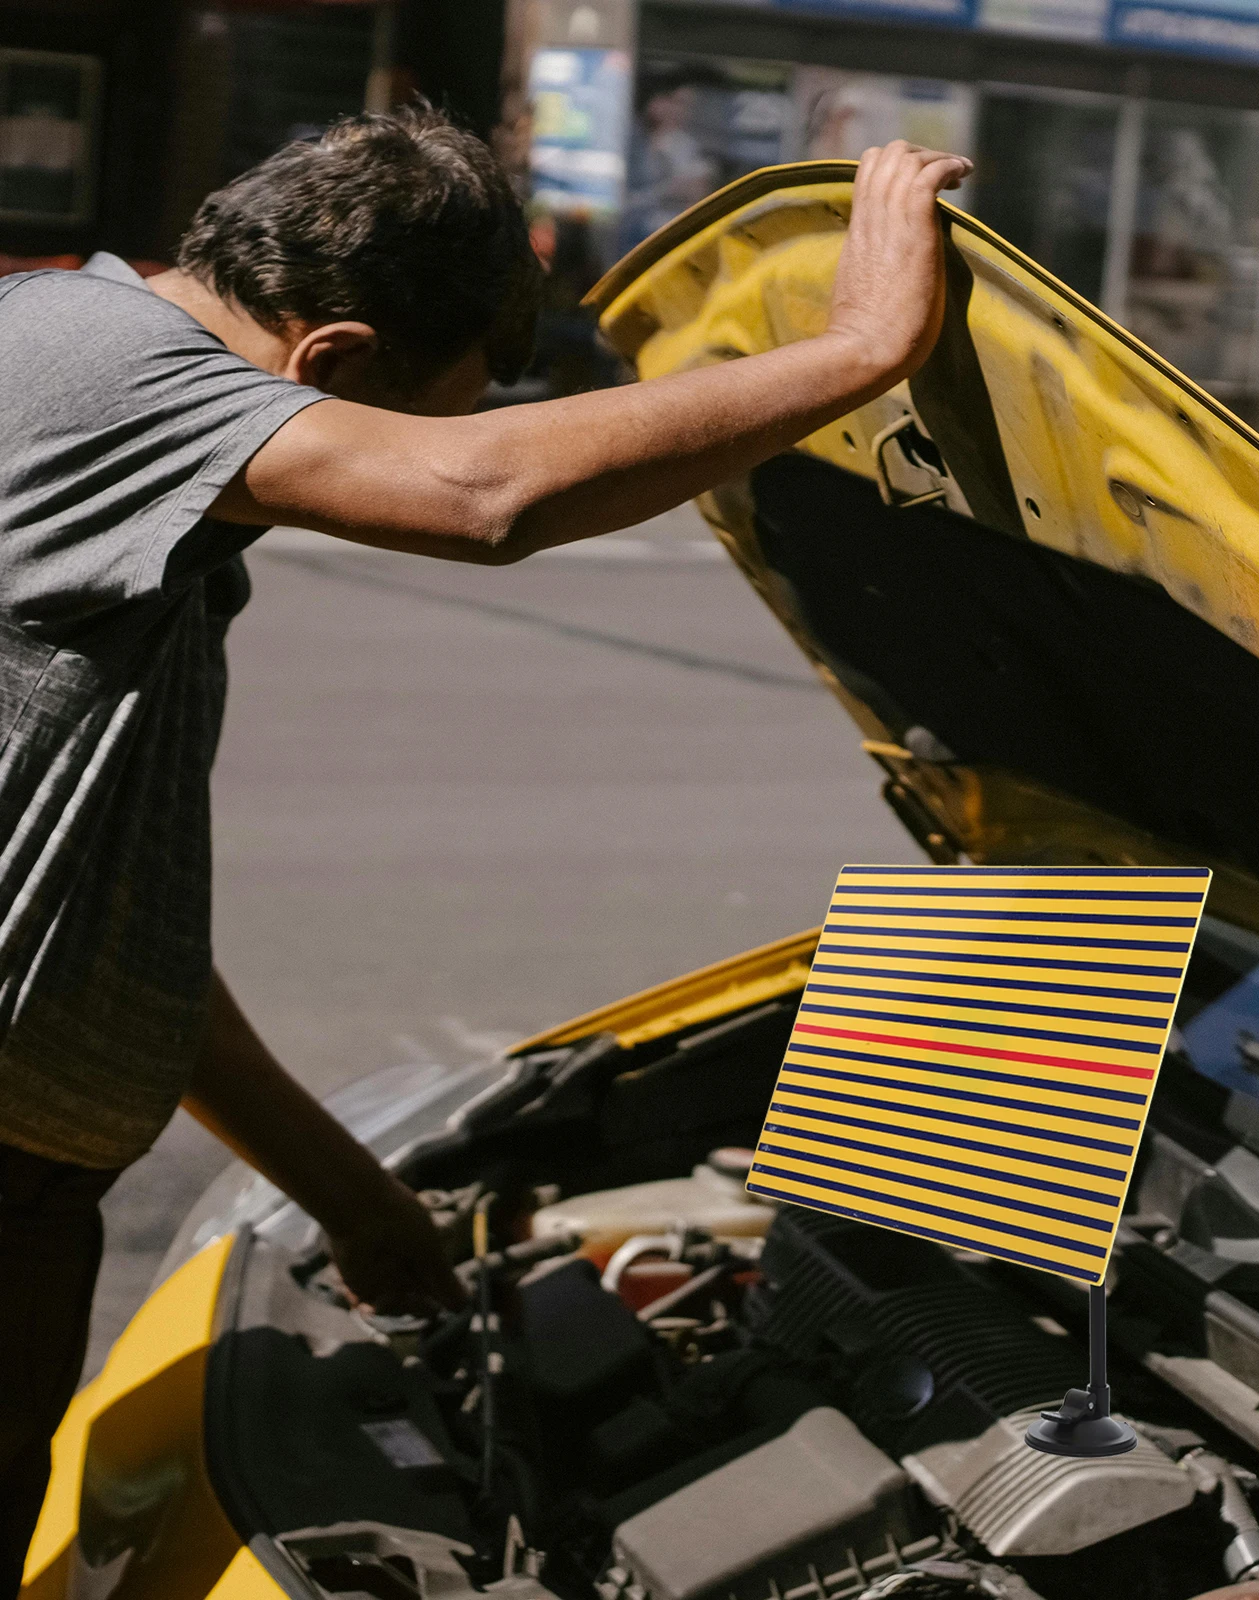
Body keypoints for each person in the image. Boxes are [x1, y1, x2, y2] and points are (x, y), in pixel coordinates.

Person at [0, 105, 968, 1591]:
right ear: (326, 365)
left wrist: (361, 1202)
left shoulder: (134, 478)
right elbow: (488, 494)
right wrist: (860, 353)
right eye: (406, 420)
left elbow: (120, 945)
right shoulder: (111, 372)